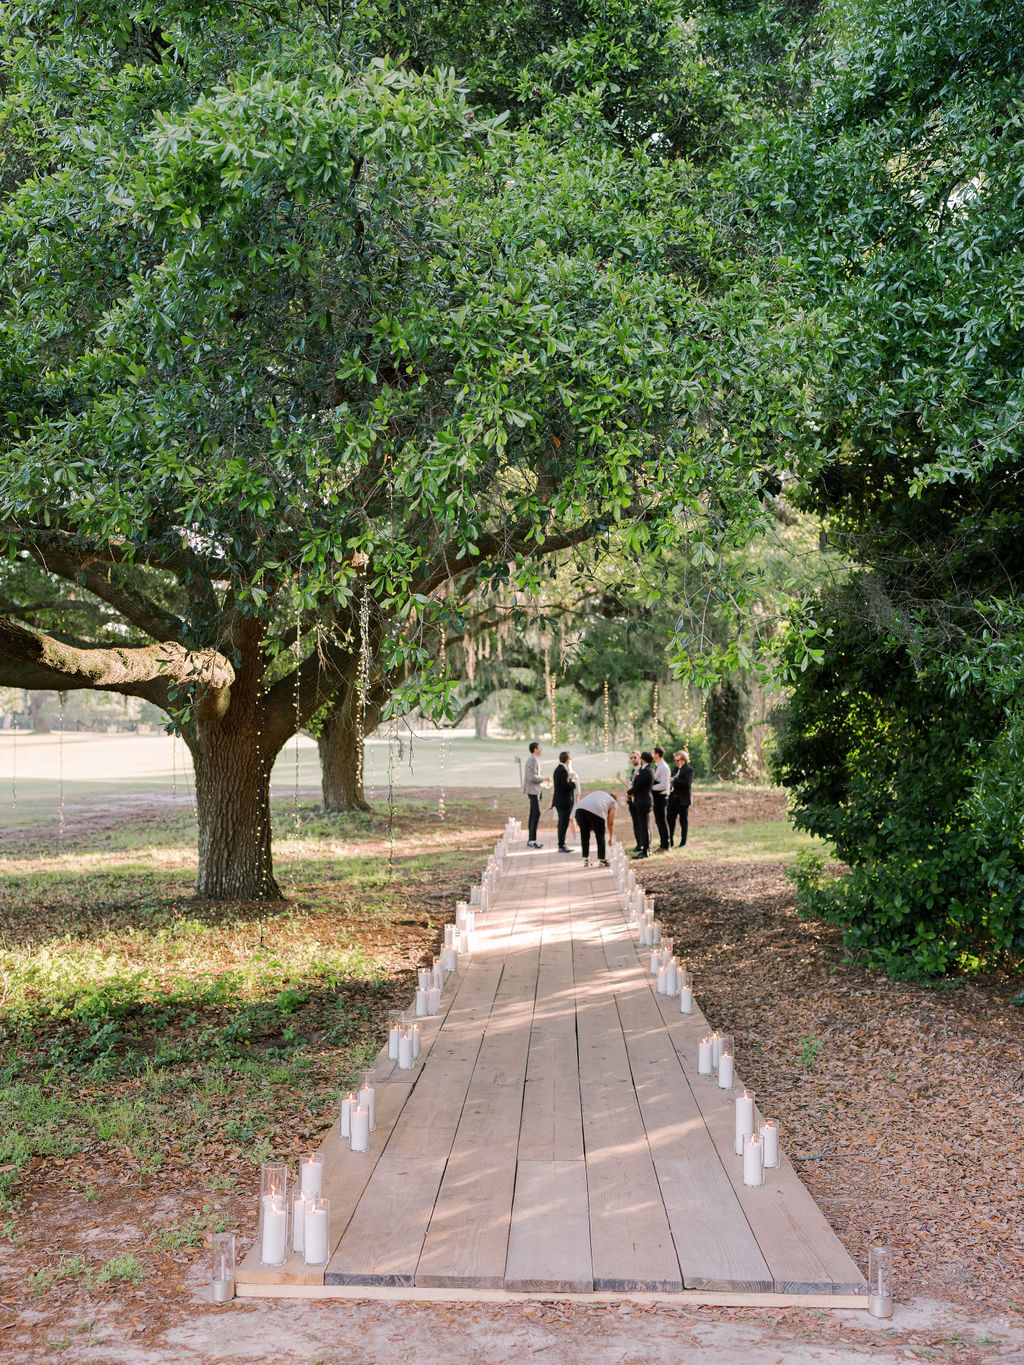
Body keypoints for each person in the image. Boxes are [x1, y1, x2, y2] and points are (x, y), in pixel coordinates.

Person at [573, 788, 617, 867]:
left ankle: (586, 859)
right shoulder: (613, 802)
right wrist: (610, 838)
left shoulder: (600, 794)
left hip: (579, 809)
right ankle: (602, 859)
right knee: (600, 835)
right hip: (596, 809)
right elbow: (610, 822)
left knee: (584, 834)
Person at [627, 750, 654, 858]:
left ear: (642, 759)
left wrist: (628, 792)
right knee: (644, 826)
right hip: (642, 801)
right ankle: (645, 848)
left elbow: (638, 786)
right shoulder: (645, 769)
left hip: (643, 801)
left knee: (644, 826)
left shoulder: (646, 771)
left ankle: (645, 850)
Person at [550, 750, 577, 852]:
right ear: (567, 760)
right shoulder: (562, 770)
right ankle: (561, 845)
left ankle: (561, 843)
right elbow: (565, 786)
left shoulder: (558, 769)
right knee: (563, 823)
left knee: (562, 823)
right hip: (564, 802)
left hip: (560, 801)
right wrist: (573, 783)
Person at [667, 748, 694, 847]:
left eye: (678, 760)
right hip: (673, 799)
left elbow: (686, 783)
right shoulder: (676, 769)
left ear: (683, 760)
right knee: (670, 821)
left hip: (682, 800)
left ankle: (683, 842)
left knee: (683, 821)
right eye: (675, 760)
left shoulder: (689, 769)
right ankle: (670, 841)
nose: (676, 762)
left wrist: (673, 781)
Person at [522, 740, 544, 848]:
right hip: (532, 790)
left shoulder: (535, 759)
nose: (541, 749)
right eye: (540, 748)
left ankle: (531, 840)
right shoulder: (532, 760)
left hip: (535, 790)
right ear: (535, 749)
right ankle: (532, 840)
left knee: (533, 814)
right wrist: (544, 779)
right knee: (536, 813)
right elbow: (532, 777)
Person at [651, 745, 671, 852]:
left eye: (653, 753)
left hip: (661, 796)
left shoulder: (663, 767)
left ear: (657, 754)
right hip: (657, 796)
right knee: (659, 821)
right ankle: (663, 844)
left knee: (662, 821)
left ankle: (666, 845)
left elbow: (664, 784)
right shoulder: (658, 766)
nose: (652, 755)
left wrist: (650, 787)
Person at [625, 749, 643, 851]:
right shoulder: (633, 771)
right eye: (631, 758)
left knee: (641, 823)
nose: (633, 759)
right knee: (635, 822)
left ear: (640, 758)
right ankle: (638, 844)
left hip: (640, 800)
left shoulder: (642, 770)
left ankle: (644, 844)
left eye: (635, 757)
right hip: (632, 800)